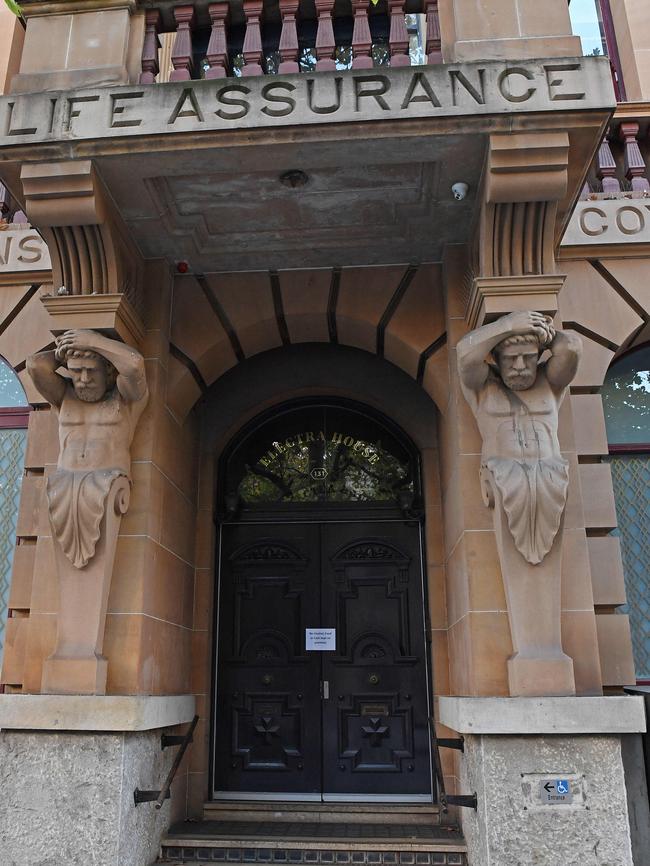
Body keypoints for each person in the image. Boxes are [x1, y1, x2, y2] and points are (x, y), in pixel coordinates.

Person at [456, 311, 582, 695]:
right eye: (511, 359)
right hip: (505, 479)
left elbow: (571, 347)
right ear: (496, 358)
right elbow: (465, 355)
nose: (521, 366)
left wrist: (541, 332)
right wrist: (507, 326)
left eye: (529, 357)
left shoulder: (550, 385)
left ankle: (542, 655)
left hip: (548, 478)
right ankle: (532, 652)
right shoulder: (482, 389)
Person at [27, 329, 148, 568]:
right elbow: (34, 365)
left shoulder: (125, 398)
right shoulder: (63, 395)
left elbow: (134, 365)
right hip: (64, 483)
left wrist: (95, 342)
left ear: (109, 371)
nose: (83, 379)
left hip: (109, 481)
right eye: (76, 371)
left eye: (91, 371)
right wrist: (65, 351)